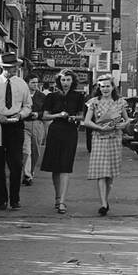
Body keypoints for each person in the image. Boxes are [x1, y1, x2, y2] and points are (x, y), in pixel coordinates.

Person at [0, 52, 32, 210]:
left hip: (15, 124)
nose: (14, 69)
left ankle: (14, 199)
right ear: (2, 67)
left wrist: (21, 115)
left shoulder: (22, 84)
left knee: (16, 162)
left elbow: (28, 105)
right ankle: (1, 200)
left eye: (15, 66)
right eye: (10, 67)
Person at [41, 69, 86, 213]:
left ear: (73, 81)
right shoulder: (52, 96)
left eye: (68, 80)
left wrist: (74, 117)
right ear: (59, 81)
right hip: (55, 131)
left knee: (65, 166)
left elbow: (82, 116)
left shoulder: (79, 96)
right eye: (63, 80)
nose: (65, 83)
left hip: (70, 132)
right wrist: (58, 114)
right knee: (55, 167)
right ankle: (57, 197)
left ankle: (62, 202)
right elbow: (45, 116)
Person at [83, 74, 129, 215]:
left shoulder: (120, 102)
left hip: (114, 139)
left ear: (113, 87)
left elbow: (127, 120)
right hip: (99, 139)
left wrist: (122, 125)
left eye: (108, 86)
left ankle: (105, 200)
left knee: (110, 175)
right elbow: (87, 121)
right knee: (101, 173)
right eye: (102, 86)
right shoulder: (94, 102)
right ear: (99, 87)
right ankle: (103, 204)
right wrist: (99, 128)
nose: (105, 89)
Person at [22, 75, 48, 185]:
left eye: (36, 82)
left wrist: (38, 114)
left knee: (36, 151)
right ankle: (27, 175)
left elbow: (46, 111)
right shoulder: (22, 95)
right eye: (32, 82)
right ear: (27, 83)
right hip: (25, 125)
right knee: (26, 150)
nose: (35, 84)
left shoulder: (42, 96)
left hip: (38, 124)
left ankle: (31, 171)